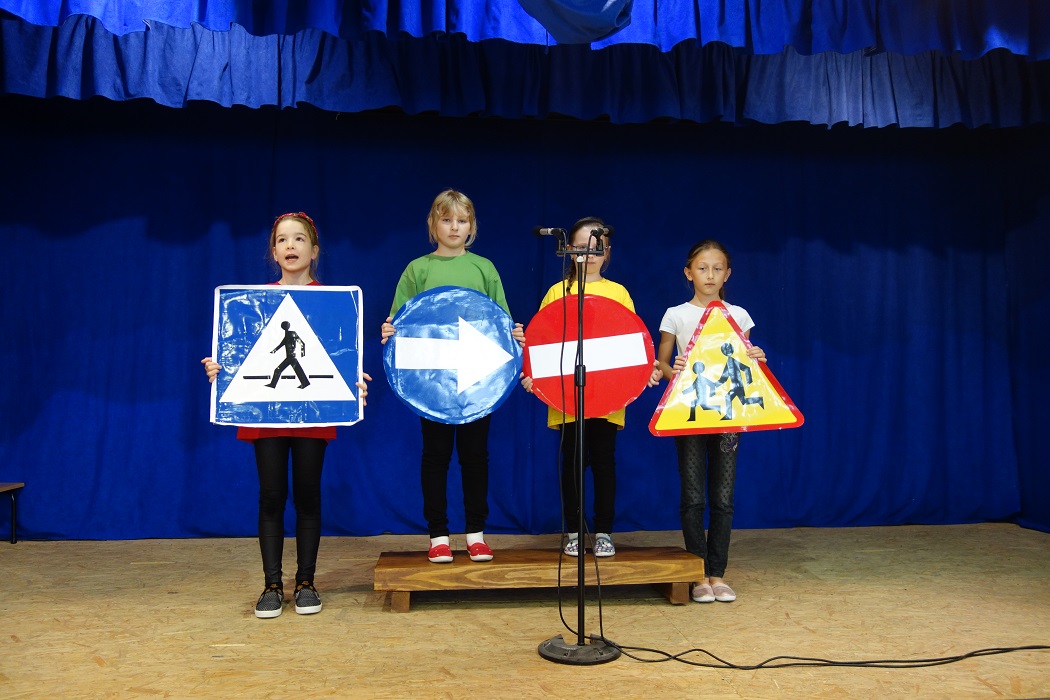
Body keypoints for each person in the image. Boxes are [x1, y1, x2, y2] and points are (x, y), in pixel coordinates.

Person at [201, 211, 371, 618]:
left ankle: (306, 582)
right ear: (274, 252)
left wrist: (352, 382)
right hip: (265, 416)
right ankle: (272, 585)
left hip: (314, 414)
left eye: (299, 239)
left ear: (314, 250)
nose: (290, 245)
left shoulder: (333, 303)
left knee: (308, 495)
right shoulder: (252, 303)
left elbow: (341, 354)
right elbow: (237, 353)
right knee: (272, 495)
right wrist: (221, 370)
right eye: (282, 240)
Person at [381, 189, 524, 564]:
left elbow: (502, 322)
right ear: (433, 224)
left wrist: (516, 334)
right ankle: (438, 536)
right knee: (436, 456)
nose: (455, 227)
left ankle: (476, 534)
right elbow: (399, 322)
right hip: (432, 383)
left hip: (479, 381)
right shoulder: (418, 269)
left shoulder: (484, 268)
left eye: (462, 220)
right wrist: (388, 331)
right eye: (447, 220)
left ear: (472, 226)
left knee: (475, 456)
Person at [522, 217, 662, 558]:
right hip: (567, 395)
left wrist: (644, 370)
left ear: (607, 251)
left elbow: (631, 342)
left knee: (603, 462)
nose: (589, 254)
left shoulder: (618, 293)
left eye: (597, 248)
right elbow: (542, 340)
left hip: (609, 395)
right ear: (569, 250)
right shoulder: (558, 291)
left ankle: (603, 532)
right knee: (572, 462)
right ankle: (573, 531)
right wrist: (532, 375)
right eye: (582, 247)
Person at [655, 239, 766, 604]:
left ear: (727, 274)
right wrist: (674, 370)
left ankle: (718, 573)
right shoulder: (676, 315)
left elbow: (743, 367)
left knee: (723, 498)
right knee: (692, 497)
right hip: (689, 413)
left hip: (727, 415)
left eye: (717, 269)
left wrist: (756, 358)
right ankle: (698, 573)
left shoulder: (739, 315)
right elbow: (662, 364)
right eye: (702, 268)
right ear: (689, 273)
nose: (710, 275)